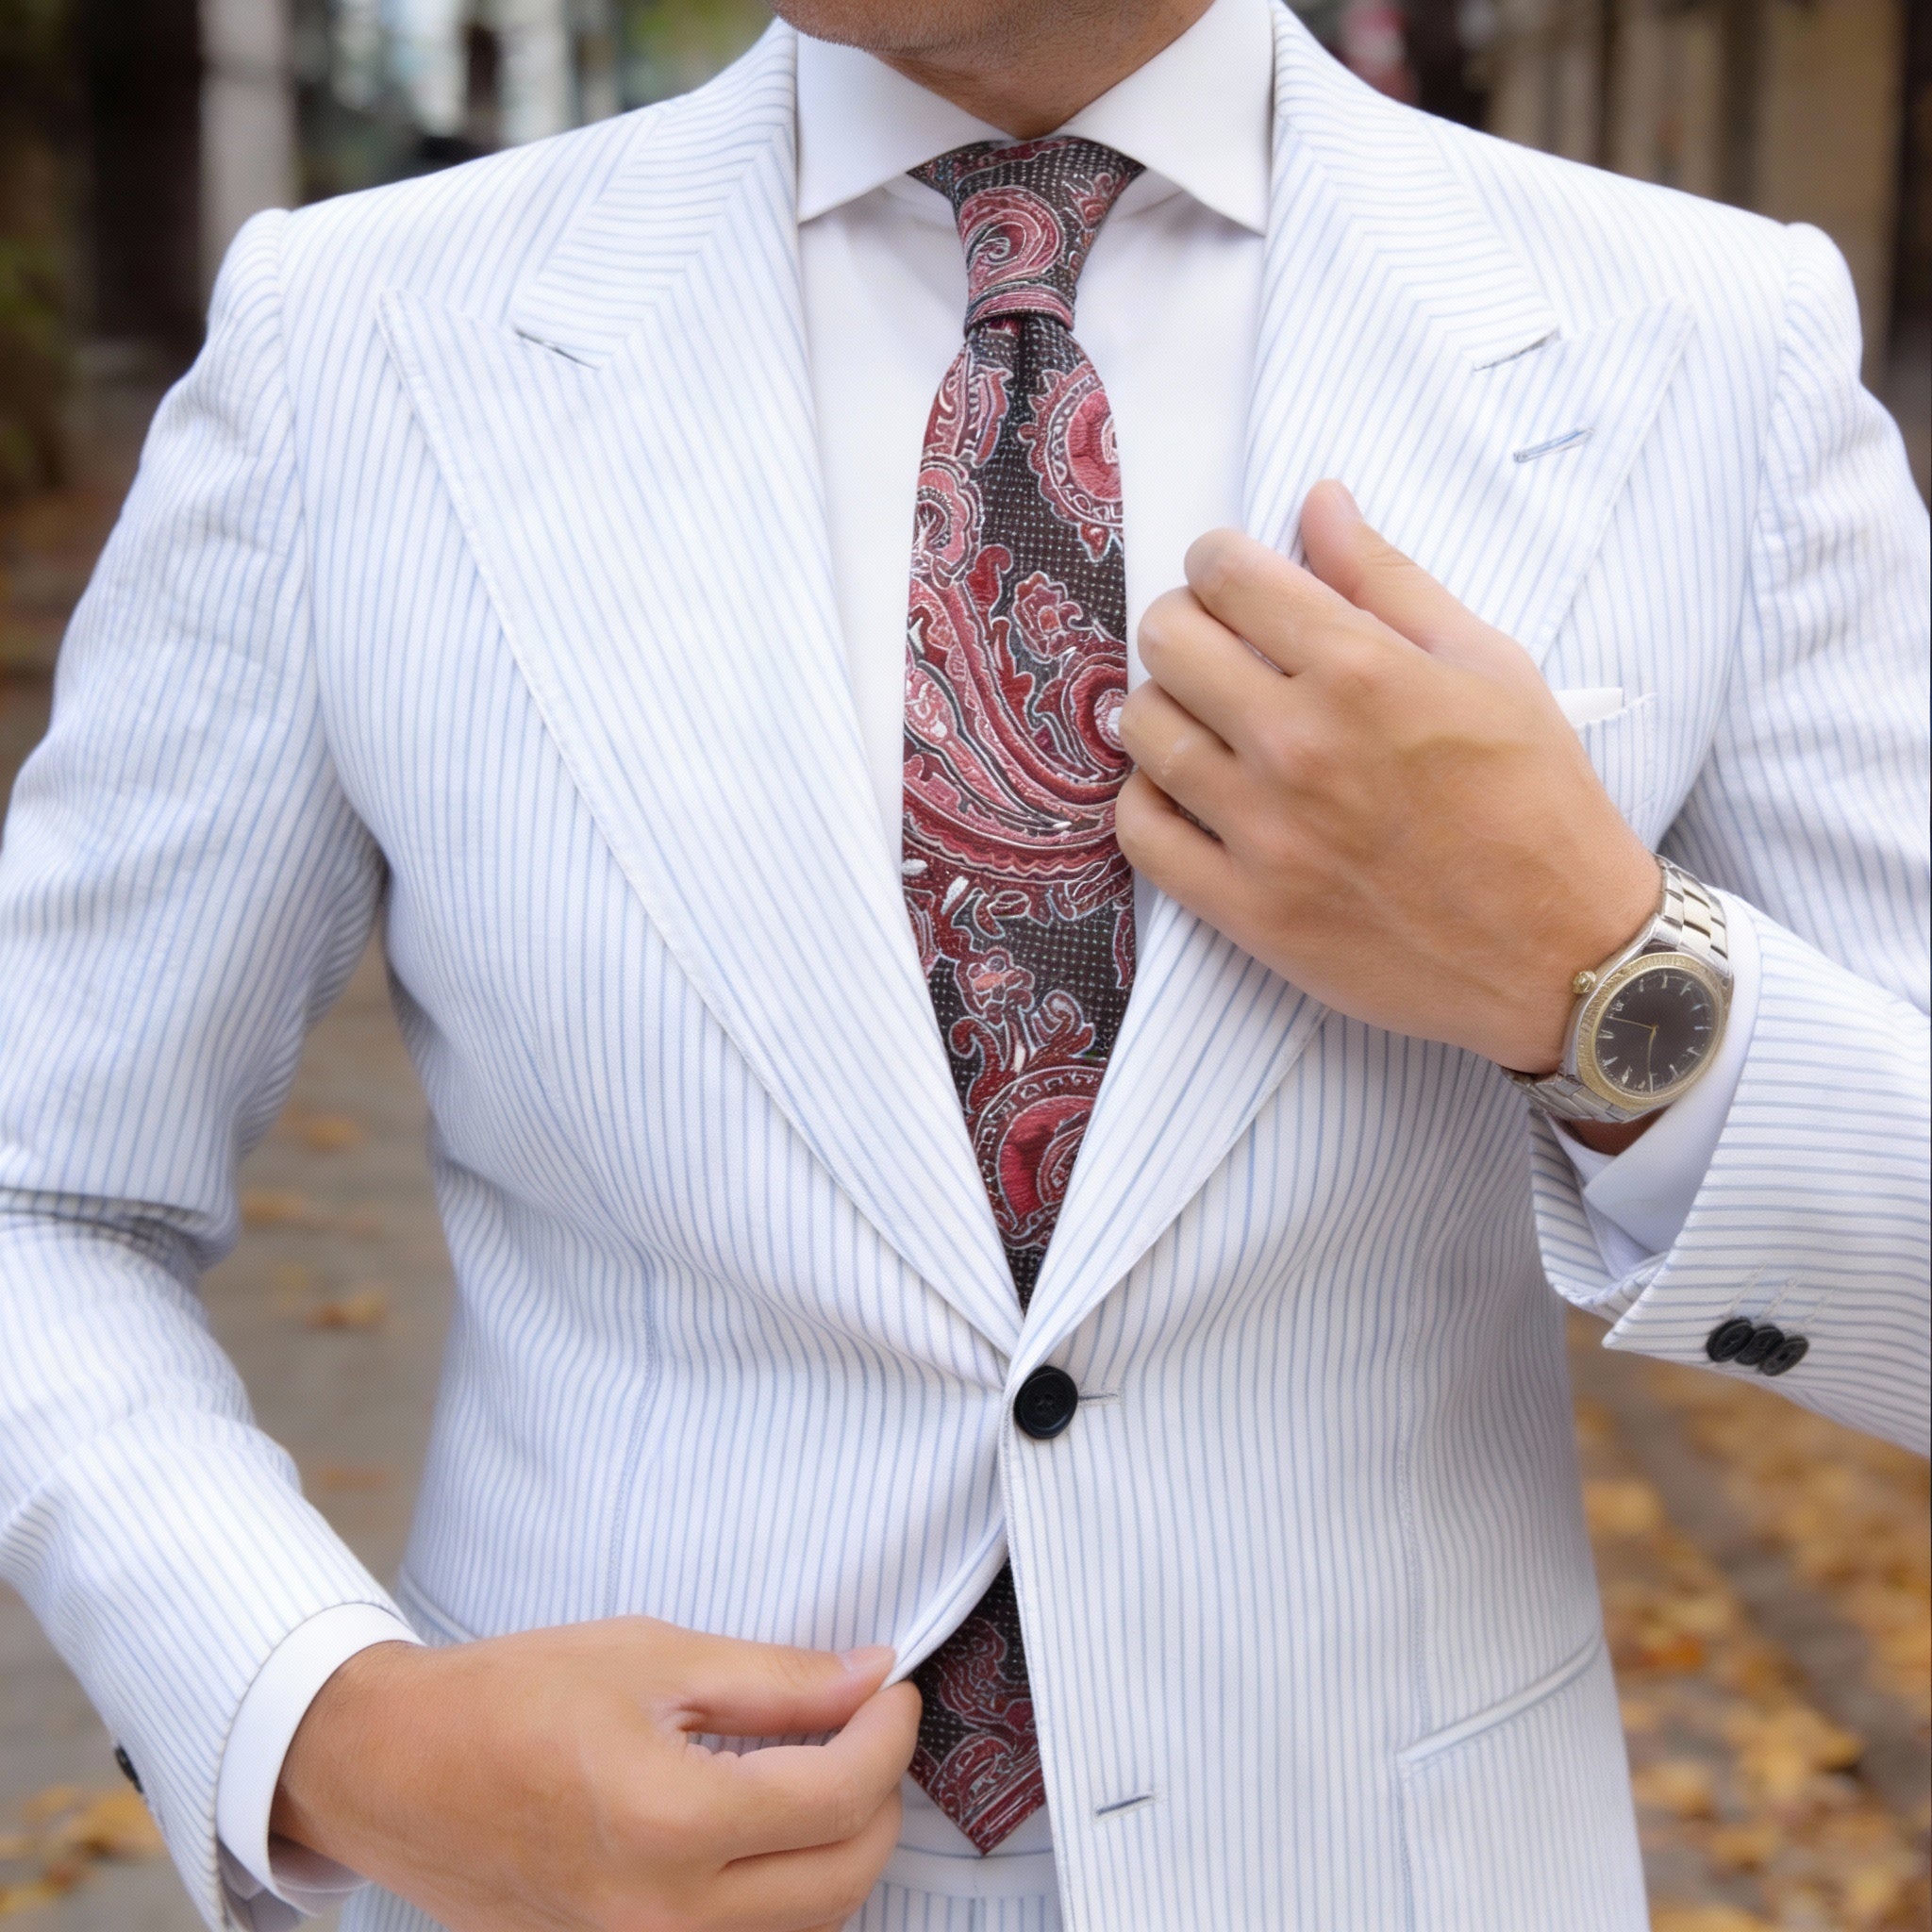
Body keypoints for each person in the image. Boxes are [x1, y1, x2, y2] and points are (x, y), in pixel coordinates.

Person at [0, 0, 1924, 1925]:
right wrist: (330, 1731)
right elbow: (42, 1193)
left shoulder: (1703, 344)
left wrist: (1603, 978)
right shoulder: (355, 340)